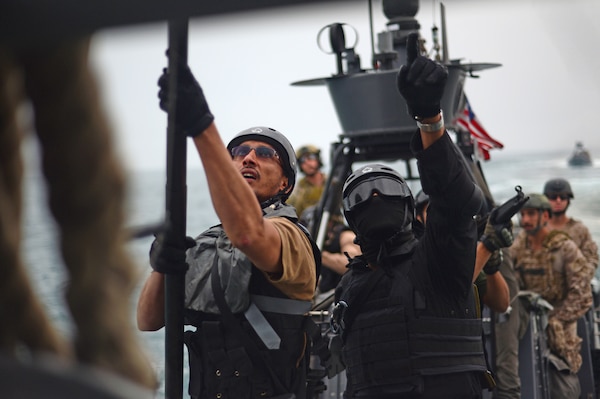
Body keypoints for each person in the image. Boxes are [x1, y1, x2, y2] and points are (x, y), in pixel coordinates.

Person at [136, 62, 319, 399]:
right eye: (238, 153)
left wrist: (201, 127)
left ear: (285, 182)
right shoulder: (210, 242)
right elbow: (147, 320)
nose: (249, 158)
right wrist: (161, 266)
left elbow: (250, 235)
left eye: (265, 154)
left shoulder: (290, 235)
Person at [331, 32, 495, 398]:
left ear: (409, 209)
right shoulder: (349, 286)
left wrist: (429, 119)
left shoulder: (436, 258)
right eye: (361, 195)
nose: (374, 196)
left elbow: (455, 201)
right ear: (350, 218)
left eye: (387, 190)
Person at [510, 193, 594, 398]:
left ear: (545, 216)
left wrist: (556, 319)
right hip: (526, 326)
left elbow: (583, 295)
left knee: (563, 388)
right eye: (523, 214)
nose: (526, 220)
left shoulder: (565, 248)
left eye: (531, 214)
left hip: (560, 331)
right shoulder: (518, 247)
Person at [414, 189, 511, 314]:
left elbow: (501, 304)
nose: (444, 217)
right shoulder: (414, 253)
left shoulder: (462, 253)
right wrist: (487, 246)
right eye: (435, 211)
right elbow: (444, 296)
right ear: (418, 217)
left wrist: (491, 267)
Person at [543, 177, 599, 272]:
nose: (558, 201)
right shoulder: (538, 229)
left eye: (563, 197)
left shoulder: (580, 230)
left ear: (568, 200)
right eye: (553, 197)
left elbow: (592, 259)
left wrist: (581, 277)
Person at [287, 144, 327, 218]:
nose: (307, 163)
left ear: (318, 159)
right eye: (303, 160)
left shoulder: (332, 183)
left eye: (311, 157)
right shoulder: (299, 190)